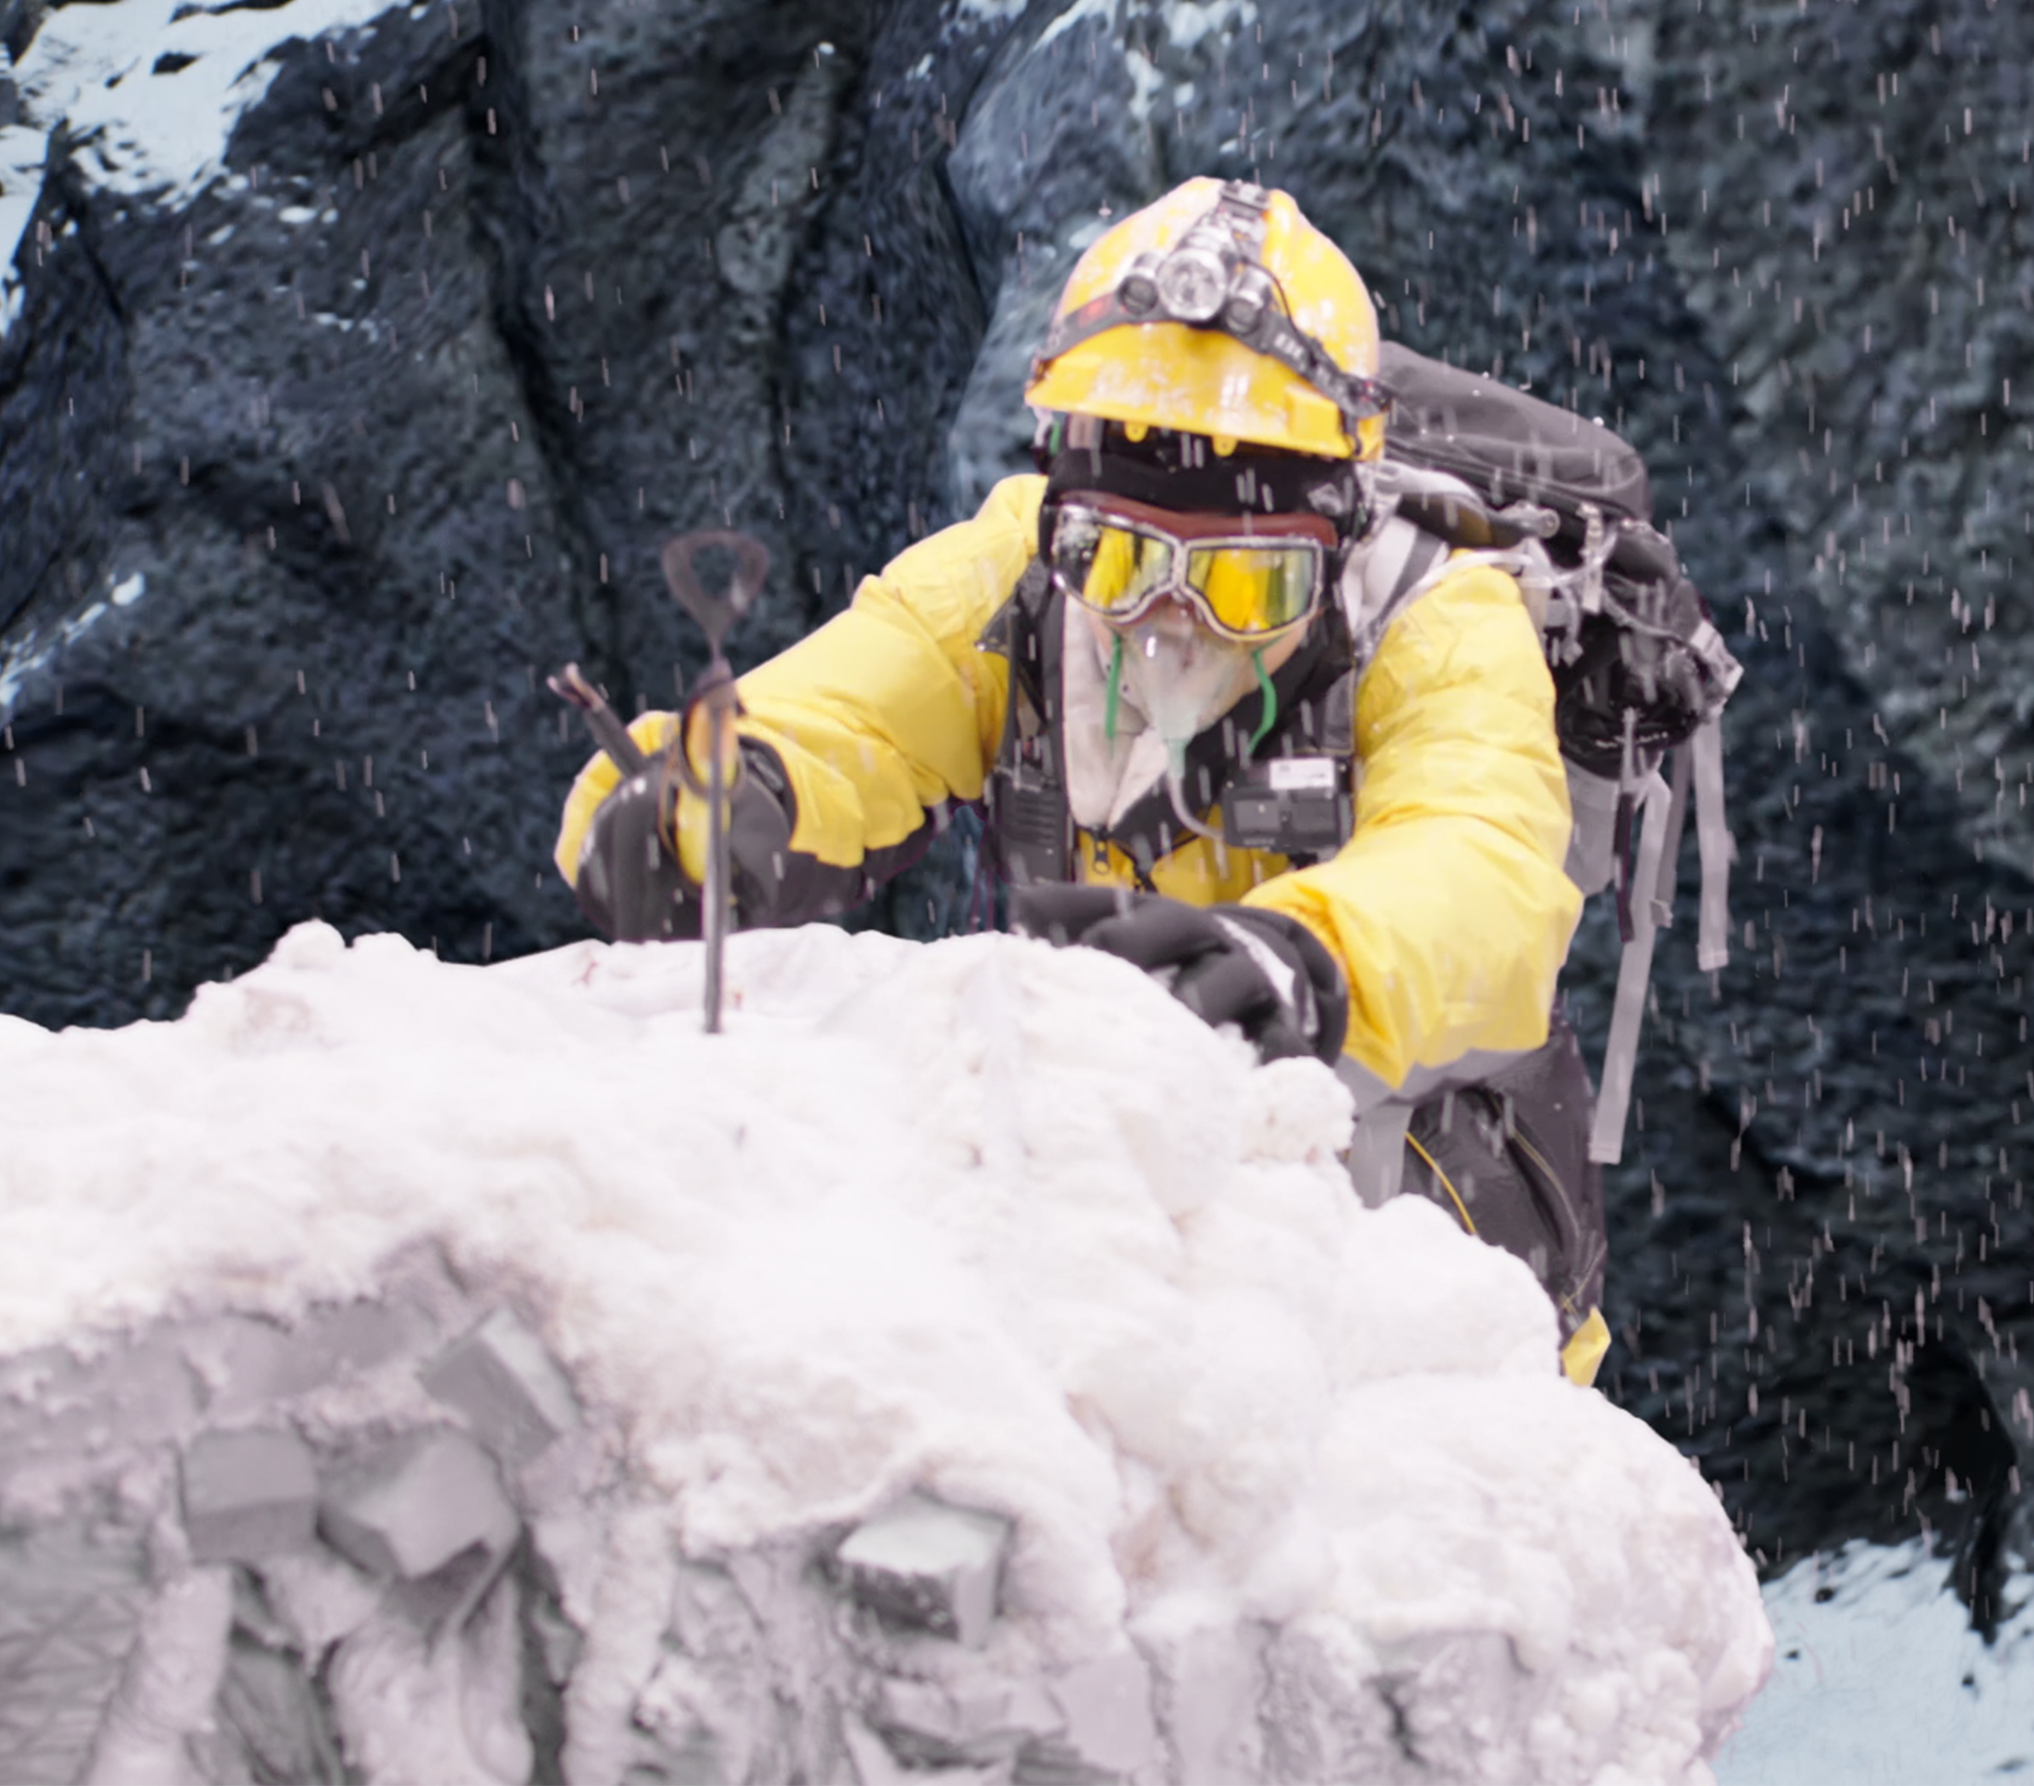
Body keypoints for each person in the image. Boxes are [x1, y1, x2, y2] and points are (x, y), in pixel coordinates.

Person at [553, 180, 1611, 1383]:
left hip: (1430, 1270)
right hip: (1133, 1226)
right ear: (1060, 508)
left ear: (1336, 527)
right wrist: (709, 807)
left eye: (1244, 586)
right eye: (1114, 560)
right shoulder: (1016, 576)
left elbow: (1483, 862)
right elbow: (847, 708)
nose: (1167, 620)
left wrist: (1305, 960)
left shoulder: (1434, 617)